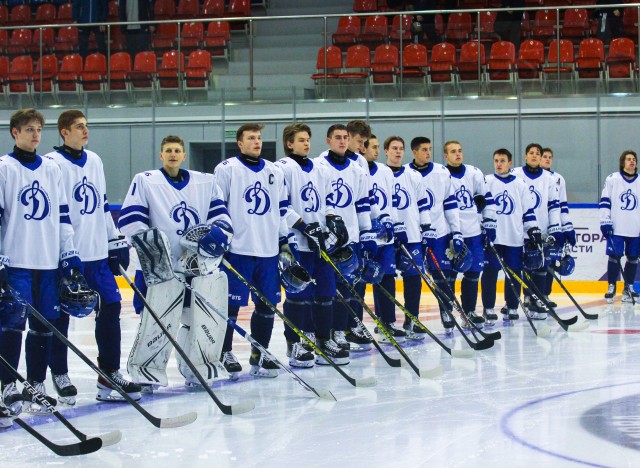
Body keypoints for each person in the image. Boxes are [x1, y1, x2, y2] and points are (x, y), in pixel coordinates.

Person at [119, 135, 233, 388]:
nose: (173, 154)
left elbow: (221, 218)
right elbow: (130, 221)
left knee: (197, 318)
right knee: (157, 319)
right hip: (159, 268)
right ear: (161, 155)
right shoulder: (146, 181)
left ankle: (197, 367)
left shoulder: (205, 182)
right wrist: (155, 252)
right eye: (168, 150)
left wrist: (215, 237)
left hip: (196, 265)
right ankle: (147, 371)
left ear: (184, 155)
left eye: (177, 150)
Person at [45, 110, 141, 404]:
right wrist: (65, 250)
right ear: (64, 131)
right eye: (78, 127)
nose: (85, 131)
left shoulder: (95, 160)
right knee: (60, 315)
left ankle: (109, 373)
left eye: (86, 126)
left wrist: (115, 242)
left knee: (111, 307)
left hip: (97, 255)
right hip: (65, 257)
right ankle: (60, 374)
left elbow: (101, 206)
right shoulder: (52, 164)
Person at [0, 109, 83, 413]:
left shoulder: (51, 169)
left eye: (38, 130)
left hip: (48, 262)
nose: (35, 135)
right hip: (17, 261)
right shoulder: (4, 168)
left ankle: (35, 384)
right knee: (11, 323)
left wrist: (68, 253)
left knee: (44, 325)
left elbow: (62, 216)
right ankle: (7, 386)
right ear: (15, 133)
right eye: (29, 129)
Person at [215, 124, 292, 377]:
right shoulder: (226, 169)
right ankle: (224, 352)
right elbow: (217, 208)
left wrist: (283, 242)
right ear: (240, 143)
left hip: (268, 251)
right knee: (230, 306)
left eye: (259, 138)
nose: (257, 142)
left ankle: (261, 352)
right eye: (251, 138)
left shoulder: (274, 170)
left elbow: (281, 209)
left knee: (267, 305)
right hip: (238, 250)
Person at [275, 123, 337, 366]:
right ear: (289, 143)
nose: (306, 143)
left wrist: (332, 220)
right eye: (301, 140)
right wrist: (302, 225)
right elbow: (281, 205)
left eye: (308, 139)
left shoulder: (321, 168)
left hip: (320, 242)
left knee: (325, 294)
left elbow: (328, 200)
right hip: (297, 242)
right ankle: (296, 343)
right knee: (298, 295)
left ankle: (323, 339)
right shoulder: (283, 168)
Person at [315, 124, 374, 364]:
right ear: (329, 140)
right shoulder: (319, 165)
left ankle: (342, 330)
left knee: (350, 288)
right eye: (338, 138)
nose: (342, 141)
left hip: (351, 236)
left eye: (345, 138)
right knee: (330, 291)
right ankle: (328, 334)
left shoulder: (358, 166)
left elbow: (362, 203)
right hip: (327, 239)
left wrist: (367, 232)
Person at [407, 136, 462, 335]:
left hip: (439, 234)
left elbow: (450, 203)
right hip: (415, 235)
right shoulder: (407, 173)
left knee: (444, 276)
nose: (428, 153)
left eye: (429, 149)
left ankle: (446, 311)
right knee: (413, 278)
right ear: (414, 152)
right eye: (423, 149)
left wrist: (456, 231)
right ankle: (411, 320)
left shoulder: (441, 172)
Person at [379, 135, 431, 341]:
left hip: (411, 235)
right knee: (385, 278)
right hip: (387, 237)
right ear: (386, 151)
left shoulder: (413, 176)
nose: (398, 151)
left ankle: (412, 318)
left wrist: (426, 230)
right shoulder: (380, 174)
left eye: (401, 148)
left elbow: (423, 204)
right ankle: (386, 321)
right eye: (394, 148)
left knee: (413, 277)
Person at [482, 149, 540, 323]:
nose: (499, 164)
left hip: (514, 238)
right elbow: (480, 207)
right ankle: (488, 307)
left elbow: (528, 211)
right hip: (493, 239)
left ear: (510, 163)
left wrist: (533, 229)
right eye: (496, 160)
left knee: (514, 273)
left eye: (502, 161)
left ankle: (512, 306)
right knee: (490, 273)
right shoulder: (487, 181)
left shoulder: (520, 184)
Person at [443, 141, 495, 328]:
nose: (457, 154)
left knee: (473, 273)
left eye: (460, 151)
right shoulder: (441, 174)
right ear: (445, 156)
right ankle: (447, 310)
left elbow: (486, 199)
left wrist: (489, 225)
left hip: (473, 232)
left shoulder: (474, 173)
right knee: (449, 275)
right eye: (453, 152)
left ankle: (469, 311)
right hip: (450, 232)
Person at [512, 143, 562, 319]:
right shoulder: (515, 175)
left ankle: (537, 298)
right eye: (531, 153)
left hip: (541, 230)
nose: (534, 156)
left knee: (540, 266)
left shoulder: (549, 179)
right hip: (519, 231)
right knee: (520, 267)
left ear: (541, 158)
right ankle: (520, 299)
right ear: (525, 156)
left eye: (537, 154)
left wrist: (555, 229)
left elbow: (554, 206)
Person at [600, 150, 640, 303]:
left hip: (635, 228)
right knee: (614, 257)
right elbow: (605, 201)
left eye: (634, 159)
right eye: (629, 159)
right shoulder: (612, 179)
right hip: (616, 227)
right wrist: (605, 221)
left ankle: (628, 287)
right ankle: (611, 286)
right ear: (623, 162)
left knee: (633, 258)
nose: (632, 162)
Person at [540, 147, 577, 307]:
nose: (547, 159)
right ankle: (530, 296)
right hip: (535, 228)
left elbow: (563, 206)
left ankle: (545, 295)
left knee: (550, 262)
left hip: (553, 229)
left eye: (550, 157)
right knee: (533, 263)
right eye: (544, 156)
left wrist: (567, 228)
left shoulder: (558, 179)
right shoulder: (529, 177)